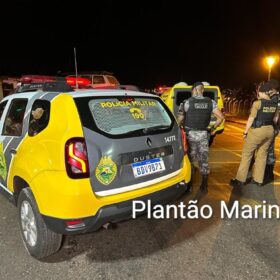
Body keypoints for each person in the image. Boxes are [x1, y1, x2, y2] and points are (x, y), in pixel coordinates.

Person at [177, 82, 224, 193]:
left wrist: (179, 127)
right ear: (202, 90)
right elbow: (221, 117)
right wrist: (213, 128)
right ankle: (204, 185)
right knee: (204, 160)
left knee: (191, 160)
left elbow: (179, 120)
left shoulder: (186, 102)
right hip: (204, 134)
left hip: (190, 135)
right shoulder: (211, 102)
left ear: (193, 90)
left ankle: (190, 185)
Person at [230, 82, 279, 187]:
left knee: (247, 154)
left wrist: (245, 132)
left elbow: (251, 119)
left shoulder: (258, 103)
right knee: (262, 155)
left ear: (262, 92)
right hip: (270, 130)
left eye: (259, 91)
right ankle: (258, 180)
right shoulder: (275, 104)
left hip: (257, 131)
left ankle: (240, 179)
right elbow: (275, 119)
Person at [263, 79, 280, 183]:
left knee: (269, 150)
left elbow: (276, 116)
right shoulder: (274, 98)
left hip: (272, 127)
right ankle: (267, 173)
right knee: (267, 149)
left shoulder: (276, 99)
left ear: (273, 89)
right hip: (273, 127)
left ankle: (269, 174)